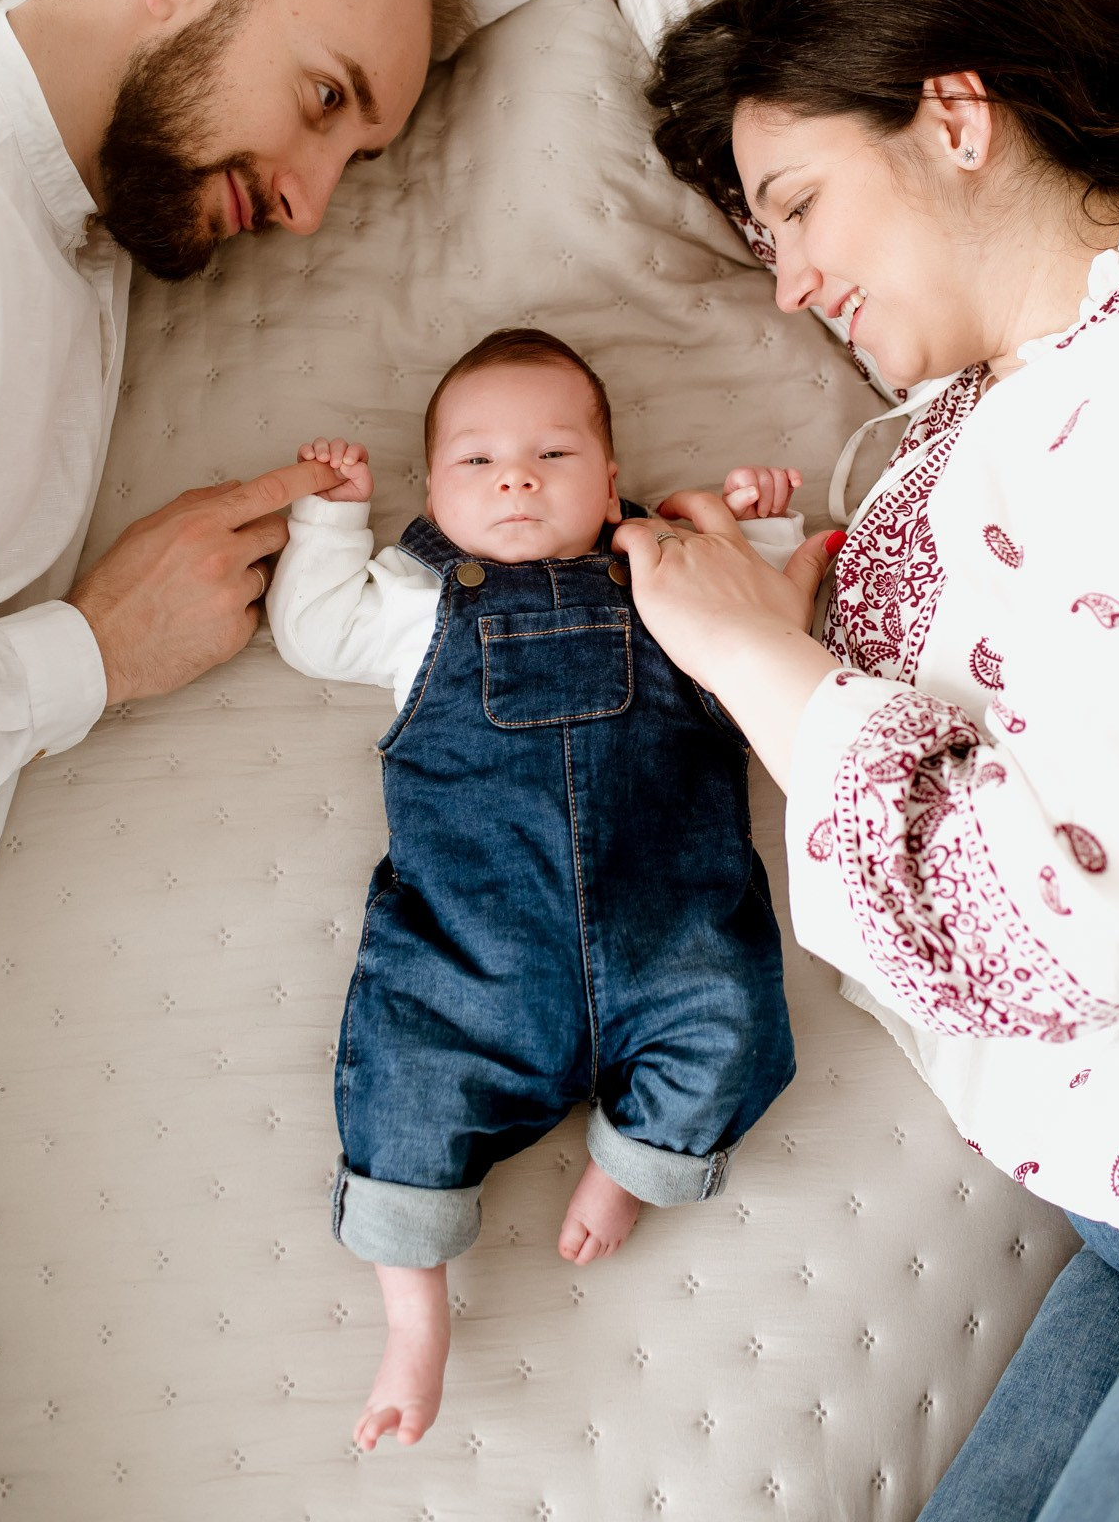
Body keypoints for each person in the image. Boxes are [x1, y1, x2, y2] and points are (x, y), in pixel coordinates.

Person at [0, 0, 980, 1516]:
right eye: (318, 116)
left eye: (358, 150)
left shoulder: (48, 184)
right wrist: (86, 656)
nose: (306, 209)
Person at [290, 0, 1119, 1519]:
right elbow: (770, 97)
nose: (780, 284)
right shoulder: (1019, 375)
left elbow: (1063, 926)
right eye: (760, 232)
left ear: (957, 119)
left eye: (795, 213)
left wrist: (756, 660)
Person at [266, 327, 816, 1450]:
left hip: (673, 933)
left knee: (735, 1020)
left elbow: (759, 630)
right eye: (476, 461)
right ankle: (416, 1316)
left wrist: (761, 528)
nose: (514, 474)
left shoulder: (663, 576)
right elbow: (313, 631)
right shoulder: (413, 600)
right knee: (401, 1082)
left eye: (552, 454)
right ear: (432, 490)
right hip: (470, 959)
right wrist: (331, 520)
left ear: (611, 481)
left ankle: (629, 1165)